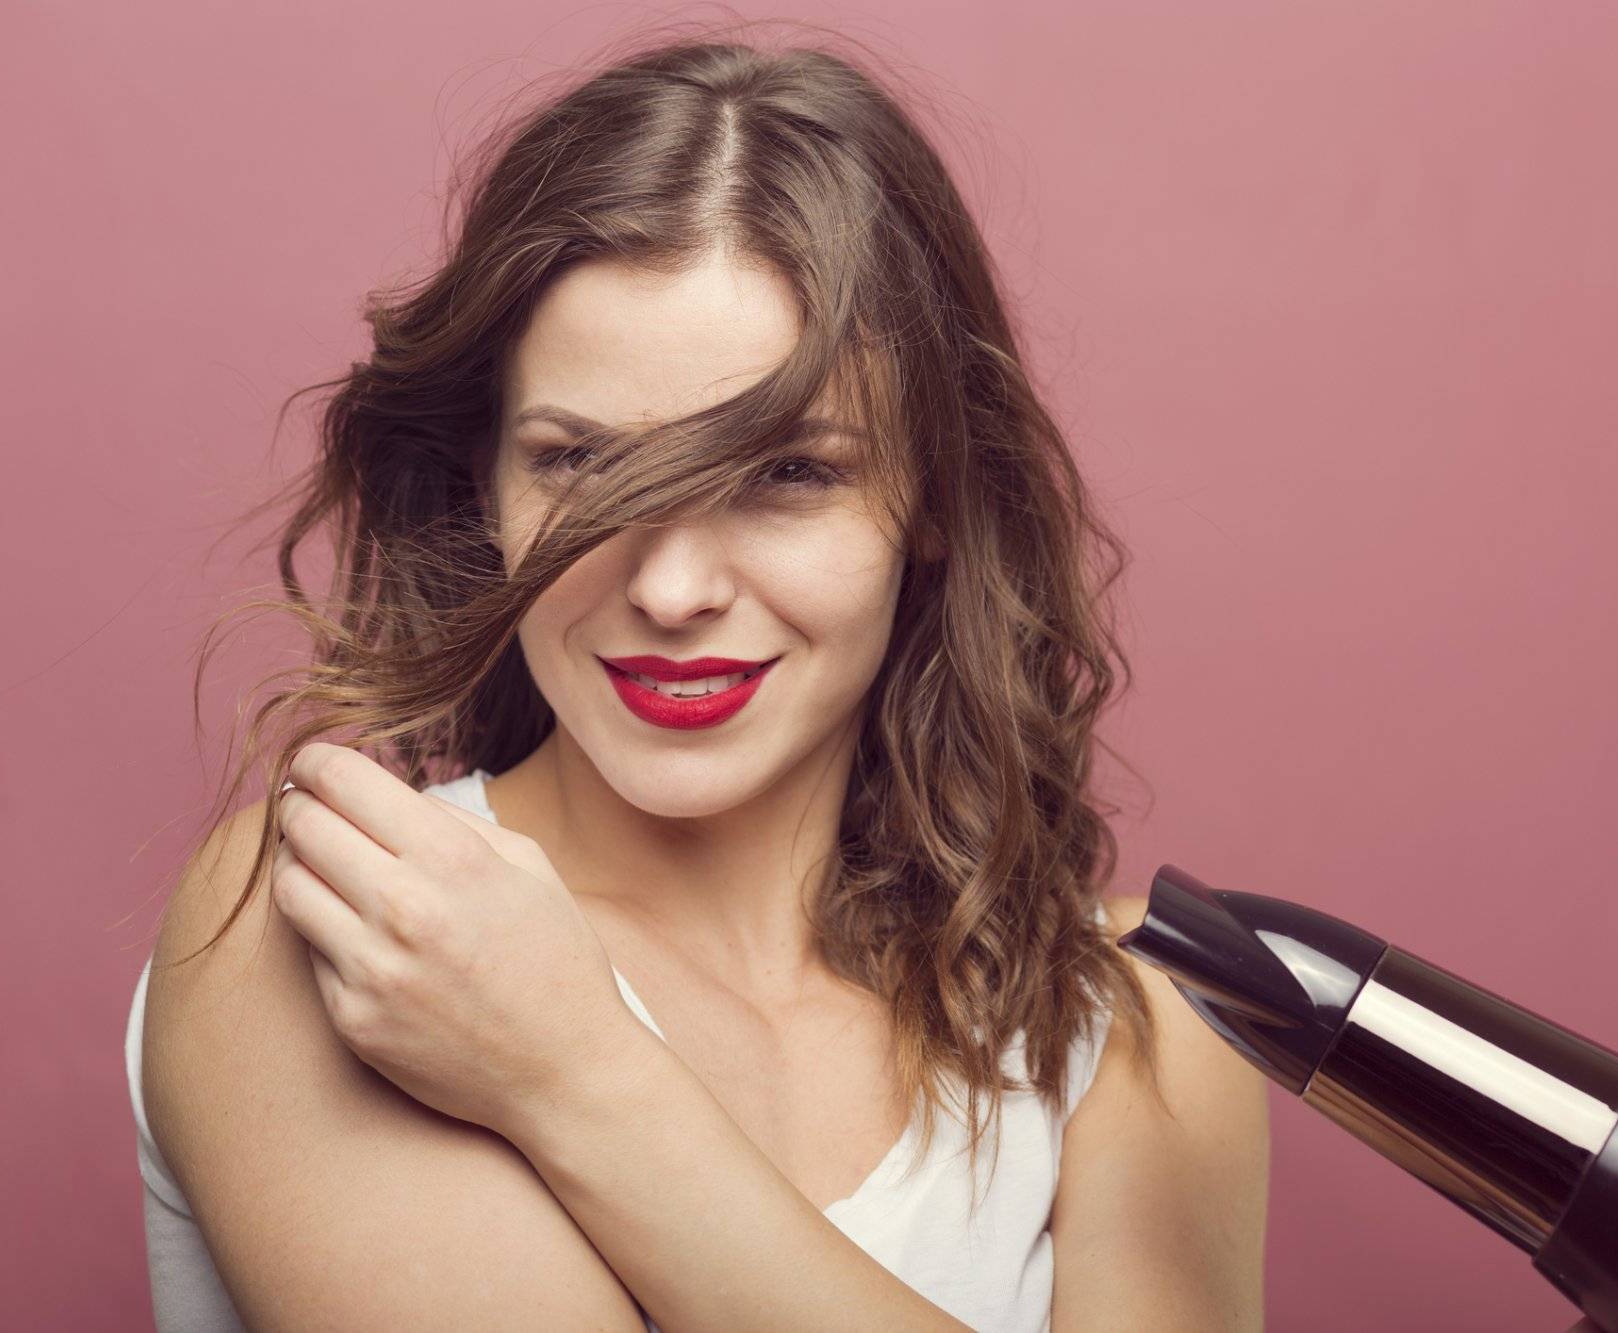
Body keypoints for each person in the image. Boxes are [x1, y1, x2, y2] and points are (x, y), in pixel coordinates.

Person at [124, 23, 1270, 1331]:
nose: (671, 592)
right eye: (582, 465)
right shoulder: (354, 921)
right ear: (484, 485)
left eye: (789, 473)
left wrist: (580, 1075)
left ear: (936, 495)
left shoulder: (1140, 1022)